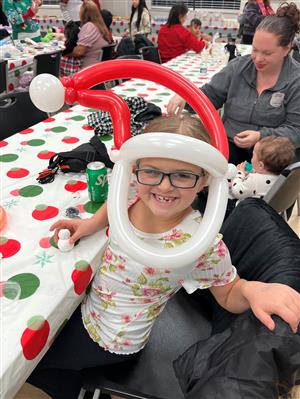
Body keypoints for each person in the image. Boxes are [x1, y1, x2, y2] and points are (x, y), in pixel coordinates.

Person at [27, 114, 300, 398]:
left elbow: (229, 291)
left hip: (113, 339)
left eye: (183, 175)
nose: (164, 186)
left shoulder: (199, 243)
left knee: (35, 361)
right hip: (90, 306)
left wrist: (255, 290)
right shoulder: (134, 189)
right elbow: (115, 204)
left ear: (204, 179)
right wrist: (89, 225)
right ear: (135, 170)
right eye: (152, 171)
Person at [167, 2, 300, 165]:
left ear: (287, 49)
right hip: (230, 146)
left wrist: (261, 136)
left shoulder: (296, 80)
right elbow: (210, 95)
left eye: (267, 53)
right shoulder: (238, 67)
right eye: (255, 50)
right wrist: (187, 97)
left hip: (272, 157)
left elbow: (296, 130)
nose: (258, 58)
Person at [230, 136, 295, 201]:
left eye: (253, 155)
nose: (252, 158)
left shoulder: (254, 180)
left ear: (261, 165)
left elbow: (237, 192)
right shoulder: (282, 179)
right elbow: (260, 172)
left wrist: (239, 174)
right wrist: (250, 169)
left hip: (246, 209)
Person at [65, 0, 111, 70]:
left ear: (84, 13)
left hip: (88, 68)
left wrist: (62, 51)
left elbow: (79, 52)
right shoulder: (100, 27)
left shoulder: (89, 26)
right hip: (99, 66)